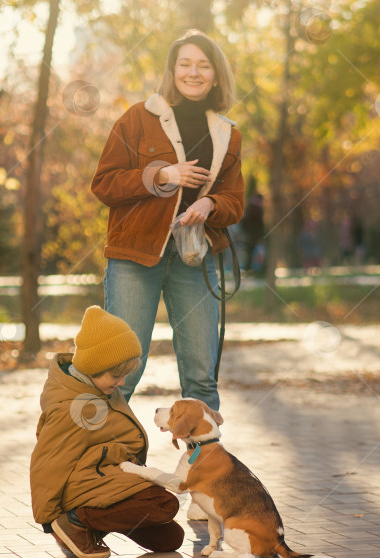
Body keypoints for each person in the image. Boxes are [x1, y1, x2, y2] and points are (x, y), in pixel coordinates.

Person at [91, 29, 245, 411]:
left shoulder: (227, 133)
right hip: (134, 257)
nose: (194, 73)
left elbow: (234, 200)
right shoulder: (137, 119)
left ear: (215, 74)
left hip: (195, 259)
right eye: (185, 64)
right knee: (120, 373)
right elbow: (104, 184)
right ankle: (102, 463)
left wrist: (210, 204)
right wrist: (163, 175)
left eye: (203, 66)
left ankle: (205, 468)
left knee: (201, 378)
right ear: (172, 70)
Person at [29, 305, 184, 558]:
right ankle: (74, 521)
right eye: (116, 374)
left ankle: (92, 526)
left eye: (125, 375)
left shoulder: (102, 388)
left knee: (170, 539)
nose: (122, 382)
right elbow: (48, 465)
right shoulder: (73, 407)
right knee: (164, 504)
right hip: (85, 485)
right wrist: (48, 521)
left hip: (106, 476)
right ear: (94, 366)